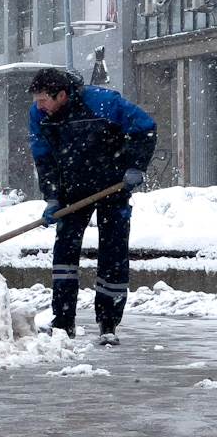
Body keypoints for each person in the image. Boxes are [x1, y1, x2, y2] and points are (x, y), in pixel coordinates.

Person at [28, 67, 156, 345]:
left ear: (61, 95)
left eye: (43, 100)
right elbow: (43, 157)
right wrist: (51, 195)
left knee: (113, 252)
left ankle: (108, 323)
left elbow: (145, 127)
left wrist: (136, 166)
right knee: (65, 253)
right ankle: (63, 322)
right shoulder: (39, 116)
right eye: (37, 100)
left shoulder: (104, 103)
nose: (39, 106)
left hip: (113, 186)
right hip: (71, 191)